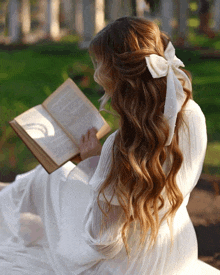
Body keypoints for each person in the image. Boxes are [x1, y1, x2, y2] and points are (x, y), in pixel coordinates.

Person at [0, 16, 219, 275]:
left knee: (52, 175)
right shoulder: (192, 114)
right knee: (53, 180)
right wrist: (97, 163)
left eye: (99, 65)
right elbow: (142, 191)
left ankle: (6, 200)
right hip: (175, 248)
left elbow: (102, 241)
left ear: (117, 76)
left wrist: (94, 163)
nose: (96, 74)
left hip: (127, 266)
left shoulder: (120, 147)